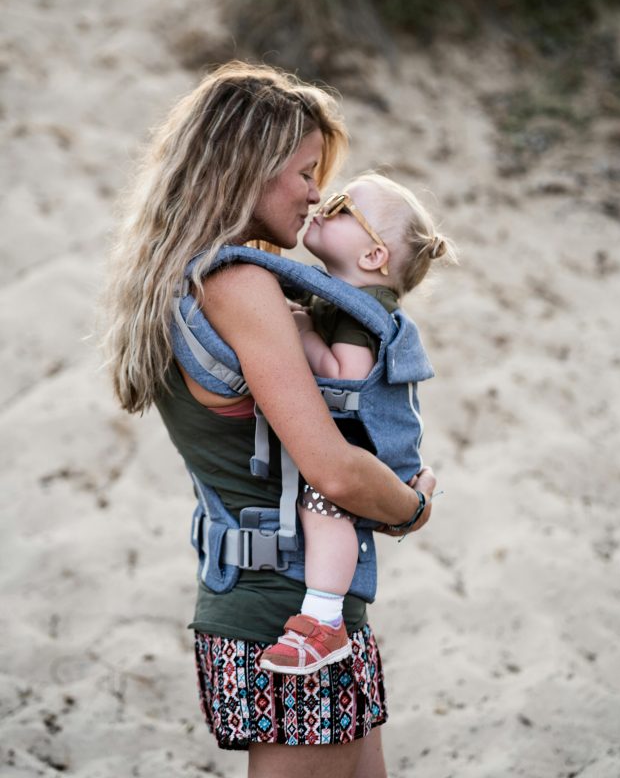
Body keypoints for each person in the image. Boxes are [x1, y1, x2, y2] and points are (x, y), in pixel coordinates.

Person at [103, 62, 438, 777]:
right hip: (285, 615)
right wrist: (410, 509)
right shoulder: (241, 284)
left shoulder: (188, 273)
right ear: (248, 168)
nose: (317, 194)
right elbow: (333, 469)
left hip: (283, 604)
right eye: (307, 172)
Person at [260, 172, 455, 675]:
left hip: (371, 445)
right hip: (366, 438)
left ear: (372, 257)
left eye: (344, 205)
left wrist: (300, 330)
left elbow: (349, 376)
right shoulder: (340, 296)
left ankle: (324, 620)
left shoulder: (360, 311)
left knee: (325, 503)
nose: (325, 203)